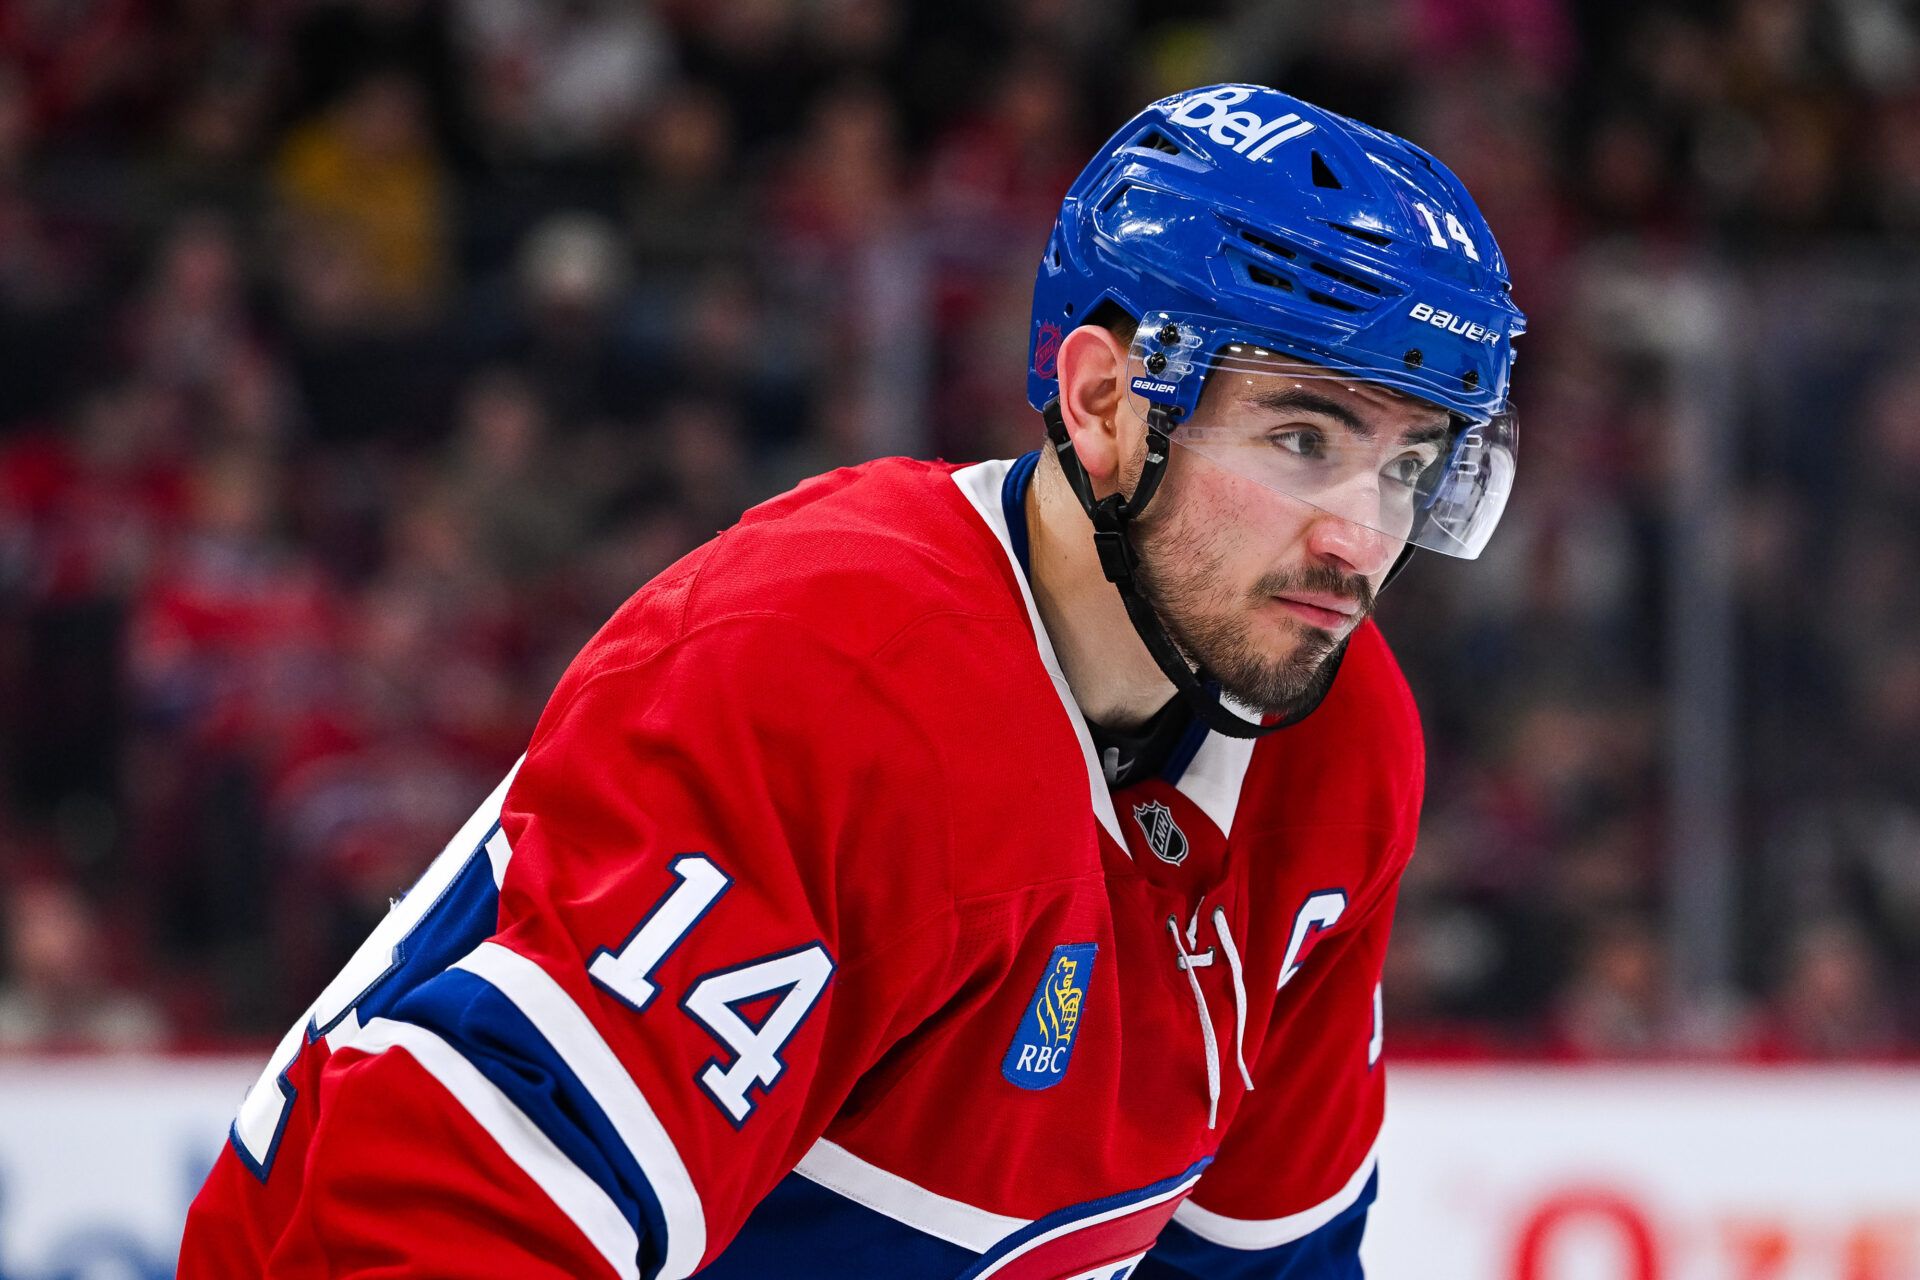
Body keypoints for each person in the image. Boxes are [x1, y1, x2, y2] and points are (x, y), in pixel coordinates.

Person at [179, 83, 1525, 1279]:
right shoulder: (835, 669)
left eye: (1411, 467)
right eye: (1304, 436)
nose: (1361, 538)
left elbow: (1262, 1262)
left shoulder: (1336, 737)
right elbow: (437, 1225)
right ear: (1107, 402)